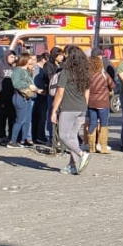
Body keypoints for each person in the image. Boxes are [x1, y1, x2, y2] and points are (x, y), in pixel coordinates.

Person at [51, 47, 91, 175]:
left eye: (65, 55)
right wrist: (85, 107)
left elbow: (59, 93)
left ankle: (81, 154)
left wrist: (54, 110)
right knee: (73, 136)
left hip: (68, 108)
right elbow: (87, 92)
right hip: (81, 108)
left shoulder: (66, 72)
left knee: (63, 136)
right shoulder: (85, 72)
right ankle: (72, 165)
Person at [85, 53, 115, 155]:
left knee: (92, 123)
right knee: (103, 124)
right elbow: (113, 85)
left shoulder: (87, 76)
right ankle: (103, 146)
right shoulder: (104, 74)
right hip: (103, 102)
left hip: (91, 102)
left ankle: (91, 146)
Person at [9, 52, 40, 148]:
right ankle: (12, 141)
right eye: (30, 58)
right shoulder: (18, 70)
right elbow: (16, 84)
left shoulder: (26, 70)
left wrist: (37, 90)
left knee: (27, 120)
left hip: (28, 97)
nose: (31, 60)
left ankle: (24, 139)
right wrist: (29, 86)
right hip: (20, 97)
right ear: (25, 60)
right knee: (20, 120)